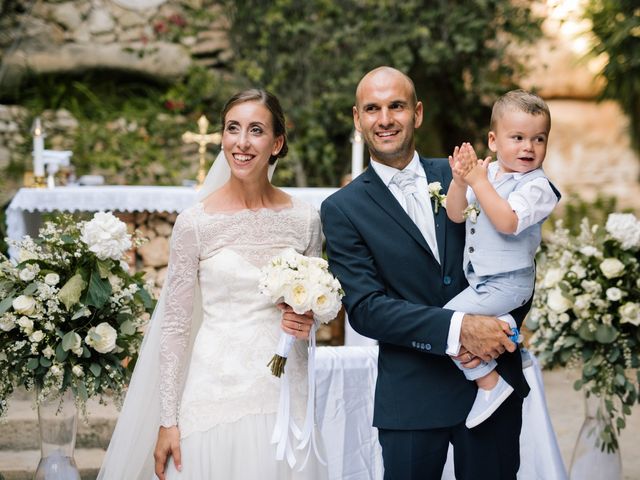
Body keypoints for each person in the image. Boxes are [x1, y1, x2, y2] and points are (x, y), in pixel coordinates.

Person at [98, 89, 327, 480]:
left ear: (277, 143)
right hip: (213, 389)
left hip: (283, 390)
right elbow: (174, 327)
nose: (241, 142)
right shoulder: (195, 223)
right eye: (232, 129)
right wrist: (168, 419)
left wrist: (310, 322)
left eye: (256, 130)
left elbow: (312, 309)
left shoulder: (306, 220)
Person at [320, 66, 531, 479]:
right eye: (372, 109)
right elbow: (366, 309)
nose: (385, 119)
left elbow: (517, 256)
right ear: (357, 118)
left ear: (416, 113)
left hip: (491, 387)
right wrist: (460, 328)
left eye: (396, 106)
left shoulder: (467, 175)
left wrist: (502, 326)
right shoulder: (342, 209)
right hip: (411, 397)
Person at [444, 90, 560, 429]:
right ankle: (508, 336)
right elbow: (454, 215)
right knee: (449, 327)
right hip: (483, 280)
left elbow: (508, 222)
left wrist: (478, 182)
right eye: (518, 137)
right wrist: (459, 181)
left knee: (447, 323)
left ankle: (489, 382)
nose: (529, 147)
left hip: (510, 283)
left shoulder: (538, 187)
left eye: (539, 139)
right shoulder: (488, 173)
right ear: (493, 140)